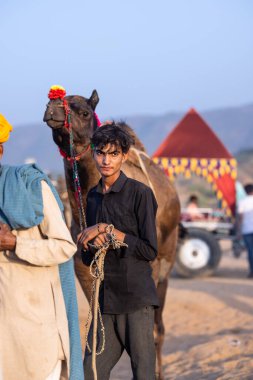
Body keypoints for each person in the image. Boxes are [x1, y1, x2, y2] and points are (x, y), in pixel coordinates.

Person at [0, 114, 83, 380]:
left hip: (36, 330)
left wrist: (15, 243)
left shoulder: (30, 186)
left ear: (0, 148)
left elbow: (63, 247)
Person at [79, 123, 159, 380]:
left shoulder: (141, 194)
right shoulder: (92, 197)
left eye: (113, 154)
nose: (106, 160)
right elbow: (87, 258)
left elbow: (149, 250)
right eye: (101, 153)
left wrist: (108, 230)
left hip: (136, 300)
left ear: (124, 156)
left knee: (143, 374)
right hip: (104, 303)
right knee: (90, 372)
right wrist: (90, 245)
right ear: (94, 154)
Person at [238, 183, 253, 278]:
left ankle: (252, 271)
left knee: (250, 251)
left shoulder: (242, 202)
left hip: (247, 229)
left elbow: (241, 218)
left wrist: (239, 230)